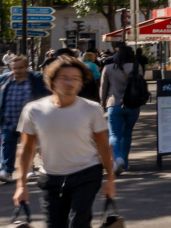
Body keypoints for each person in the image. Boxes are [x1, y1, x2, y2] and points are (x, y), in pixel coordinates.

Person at [12, 54, 115, 228]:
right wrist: (21, 184)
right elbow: (26, 148)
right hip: (50, 178)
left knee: (78, 223)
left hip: (86, 173)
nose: (70, 83)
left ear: (81, 82)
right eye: (64, 78)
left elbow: (103, 145)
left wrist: (110, 179)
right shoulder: (34, 110)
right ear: (52, 81)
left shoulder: (92, 109)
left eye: (75, 78)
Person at [0, 56, 48, 181]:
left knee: (31, 145)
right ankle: (7, 171)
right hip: (9, 118)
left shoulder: (37, 79)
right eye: (14, 68)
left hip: (30, 120)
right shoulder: (4, 79)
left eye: (21, 68)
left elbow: (46, 95)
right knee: (7, 144)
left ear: (27, 67)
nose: (17, 71)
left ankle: (29, 169)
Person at [99, 46, 142, 174]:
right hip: (133, 104)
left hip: (114, 104)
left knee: (114, 134)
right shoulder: (137, 67)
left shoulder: (108, 68)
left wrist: (102, 103)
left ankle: (117, 159)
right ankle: (125, 161)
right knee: (127, 133)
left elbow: (103, 88)